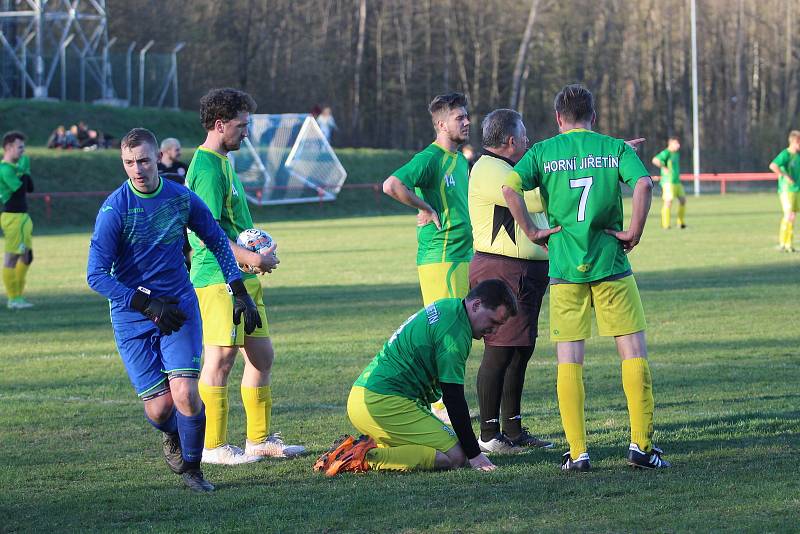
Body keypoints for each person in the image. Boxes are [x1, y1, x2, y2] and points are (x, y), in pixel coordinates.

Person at [502, 84, 670, 471]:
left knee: (569, 360)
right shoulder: (614, 148)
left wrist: (530, 230)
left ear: (559, 118)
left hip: (564, 269)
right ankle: (641, 448)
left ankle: (578, 452)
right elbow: (644, 183)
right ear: (593, 116)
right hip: (611, 264)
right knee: (633, 353)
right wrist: (635, 232)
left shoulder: (541, 152)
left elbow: (509, 189)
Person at [86, 127, 262, 492]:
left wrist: (239, 288)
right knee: (160, 409)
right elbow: (96, 276)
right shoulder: (114, 210)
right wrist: (145, 302)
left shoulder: (180, 198)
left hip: (179, 308)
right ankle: (172, 434)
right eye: (129, 162)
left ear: (157, 159)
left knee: (184, 393)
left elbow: (215, 239)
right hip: (133, 315)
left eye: (144, 160)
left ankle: (194, 470)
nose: (137, 169)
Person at [187, 87, 305, 465]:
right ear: (220, 125)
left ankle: (259, 440)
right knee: (220, 358)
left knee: (261, 356)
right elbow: (208, 231)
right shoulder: (205, 167)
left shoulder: (224, 162)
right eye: (241, 125)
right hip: (218, 277)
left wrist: (255, 254)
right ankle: (213, 446)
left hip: (243, 275)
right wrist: (250, 257)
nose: (246, 132)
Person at [313, 279, 517, 476]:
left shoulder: (449, 306)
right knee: (455, 456)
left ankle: (366, 446)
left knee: (441, 449)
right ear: (476, 305)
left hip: (368, 397)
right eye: (493, 321)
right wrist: (475, 455)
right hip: (383, 402)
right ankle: (359, 457)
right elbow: (453, 398)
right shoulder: (454, 333)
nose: (494, 330)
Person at [381, 92, 473, 423]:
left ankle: (440, 402)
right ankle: (439, 405)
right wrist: (425, 207)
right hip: (442, 256)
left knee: (458, 329)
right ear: (440, 124)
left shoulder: (460, 160)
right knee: (448, 331)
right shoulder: (430, 158)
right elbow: (391, 185)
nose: (466, 122)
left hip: (461, 255)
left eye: (466, 116)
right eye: (459, 117)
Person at [468, 109, 552, 454]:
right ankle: (489, 434)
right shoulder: (491, 169)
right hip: (504, 270)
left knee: (520, 349)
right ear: (512, 141)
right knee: (500, 350)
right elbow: (531, 198)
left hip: (522, 271)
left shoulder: (507, 168)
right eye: (525, 135)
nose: (529, 141)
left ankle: (513, 430)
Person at [0, 131, 34, 310]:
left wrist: (24, 170)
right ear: (8, 147)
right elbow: (19, 191)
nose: (23, 151)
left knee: (27, 257)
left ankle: (19, 296)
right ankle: (13, 299)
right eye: (20, 147)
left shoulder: (15, 168)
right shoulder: (5, 169)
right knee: (11, 258)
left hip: (23, 217)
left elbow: (30, 188)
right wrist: (24, 170)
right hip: (13, 218)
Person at [768, 130, 800, 252]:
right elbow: (773, 166)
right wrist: (785, 176)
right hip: (787, 190)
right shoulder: (785, 155)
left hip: (797, 189)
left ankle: (788, 244)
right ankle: (784, 243)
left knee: (793, 216)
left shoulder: (798, 156)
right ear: (794, 142)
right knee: (789, 215)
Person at [651, 137, 686, 229]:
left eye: (678, 144)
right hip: (668, 182)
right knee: (668, 202)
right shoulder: (666, 153)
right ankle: (666, 225)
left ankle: (681, 223)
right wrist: (664, 167)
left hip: (676, 182)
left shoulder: (676, 153)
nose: (678, 145)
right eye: (676, 143)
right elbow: (655, 160)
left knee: (683, 200)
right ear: (670, 144)